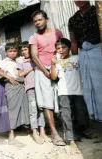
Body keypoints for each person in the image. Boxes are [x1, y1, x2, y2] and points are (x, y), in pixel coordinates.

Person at [29, 10, 65, 146]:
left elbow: (63, 49)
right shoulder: (34, 37)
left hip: (59, 67)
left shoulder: (57, 32)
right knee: (47, 100)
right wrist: (46, 72)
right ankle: (54, 133)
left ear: (46, 19)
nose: (38, 23)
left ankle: (71, 129)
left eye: (40, 20)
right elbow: (34, 56)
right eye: (35, 21)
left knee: (64, 96)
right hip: (43, 69)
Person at [50, 38, 90, 153]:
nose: (61, 50)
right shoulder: (56, 62)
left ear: (69, 48)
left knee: (80, 113)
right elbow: (53, 77)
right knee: (66, 115)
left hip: (78, 92)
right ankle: (70, 139)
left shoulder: (76, 58)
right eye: (58, 48)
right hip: (64, 92)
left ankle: (79, 132)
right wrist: (53, 65)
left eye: (64, 47)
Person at [69, 1, 102, 122]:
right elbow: (74, 43)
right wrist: (74, 60)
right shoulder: (73, 19)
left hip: (98, 52)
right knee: (89, 87)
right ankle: (96, 116)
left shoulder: (98, 11)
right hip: (83, 56)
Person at [0, 43, 30, 148]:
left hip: (20, 85)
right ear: (6, 52)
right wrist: (8, 77)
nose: (13, 53)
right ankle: (11, 136)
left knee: (21, 108)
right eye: (10, 51)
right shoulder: (5, 62)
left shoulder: (18, 60)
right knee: (12, 110)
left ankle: (19, 128)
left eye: (14, 51)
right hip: (11, 86)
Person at [17, 41, 46, 144]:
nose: (24, 51)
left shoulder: (36, 59)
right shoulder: (21, 62)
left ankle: (42, 130)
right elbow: (21, 74)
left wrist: (35, 62)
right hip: (30, 88)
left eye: (26, 49)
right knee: (33, 110)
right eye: (23, 50)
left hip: (40, 87)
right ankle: (34, 130)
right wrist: (31, 67)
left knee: (41, 108)